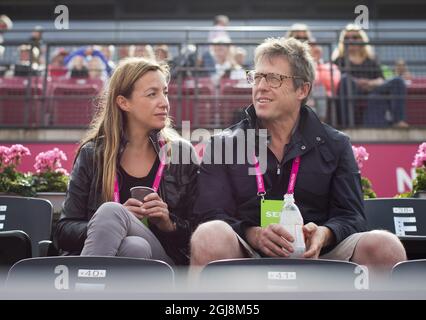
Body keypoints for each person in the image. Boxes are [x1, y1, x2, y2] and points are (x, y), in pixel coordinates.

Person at [190, 37, 406, 277]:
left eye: (273, 78)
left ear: (302, 89)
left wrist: (325, 233)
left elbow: (353, 216)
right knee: (209, 235)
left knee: (385, 246)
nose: (260, 86)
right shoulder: (223, 144)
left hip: (318, 254)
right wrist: (254, 234)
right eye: (257, 77)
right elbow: (209, 214)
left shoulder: (336, 144)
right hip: (247, 249)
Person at [54, 58, 199, 265]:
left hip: (165, 264)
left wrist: (168, 223)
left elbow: (199, 231)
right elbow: (63, 231)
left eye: (165, 92)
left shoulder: (182, 154)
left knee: (111, 212)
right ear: (124, 102)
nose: (164, 102)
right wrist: (113, 225)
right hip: (127, 255)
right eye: (152, 94)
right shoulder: (92, 154)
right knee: (133, 245)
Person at [332, 24, 408, 128]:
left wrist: (369, 83)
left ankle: (398, 121)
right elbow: (337, 80)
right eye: (347, 38)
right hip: (352, 92)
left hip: (373, 90)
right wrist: (358, 82)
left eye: (355, 37)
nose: (351, 40)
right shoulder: (338, 60)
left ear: (362, 40)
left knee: (398, 81)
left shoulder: (371, 59)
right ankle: (348, 124)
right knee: (346, 80)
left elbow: (381, 79)